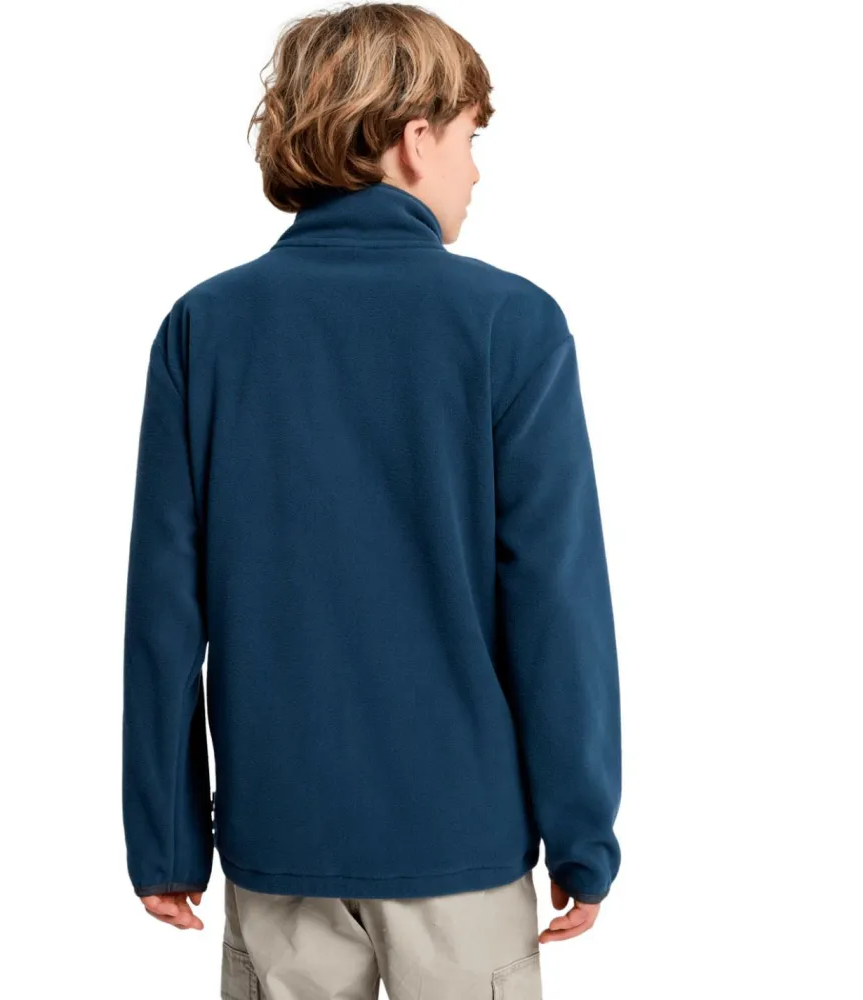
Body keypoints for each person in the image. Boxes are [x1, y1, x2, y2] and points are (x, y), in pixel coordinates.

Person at [121, 3, 622, 997]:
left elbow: (165, 609)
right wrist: (581, 832)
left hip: (277, 840)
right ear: (415, 138)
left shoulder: (204, 328)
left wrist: (167, 838)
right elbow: (555, 604)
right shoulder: (510, 324)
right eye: (471, 138)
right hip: (460, 844)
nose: (475, 172)